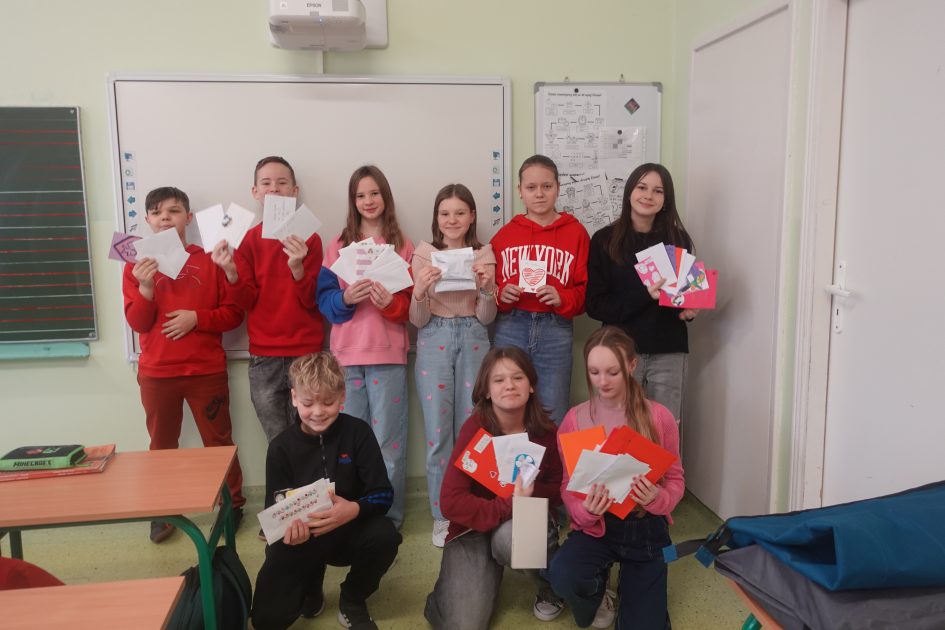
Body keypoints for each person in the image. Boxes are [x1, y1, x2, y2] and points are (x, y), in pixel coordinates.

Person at [122, 186, 246, 543]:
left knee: (219, 442)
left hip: (206, 372)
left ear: (188, 218)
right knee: (161, 445)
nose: (165, 217)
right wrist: (146, 288)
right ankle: (162, 511)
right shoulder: (135, 264)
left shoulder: (210, 259)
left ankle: (233, 504)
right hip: (157, 374)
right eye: (157, 212)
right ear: (147, 220)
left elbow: (233, 314)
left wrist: (197, 318)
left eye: (174, 211)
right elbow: (138, 322)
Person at [251, 352, 401, 630]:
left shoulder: (359, 433)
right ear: (294, 398)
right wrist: (289, 532)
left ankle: (352, 598)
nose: (318, 412)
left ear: (342, 397)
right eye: (308, 403)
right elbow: (274, 511)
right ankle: (311, 585)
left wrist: (352, 509)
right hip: (304, 539)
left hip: (350, 531)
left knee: (386, 535)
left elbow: (383, 494)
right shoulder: (281, 448)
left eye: (328, 402)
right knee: (266, 621)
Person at [548, 326, 684, 630]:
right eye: (594, 372)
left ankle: (631, 583)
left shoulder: (658, 416)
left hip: (645, 527)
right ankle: (599, 590)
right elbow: (568, 484)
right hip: (597, 526)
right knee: (563, 574)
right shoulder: (575, 419)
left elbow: (676, 478)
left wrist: (659, 498)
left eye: (613, 372)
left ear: (632, 365)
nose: (602, 382)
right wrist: (585, 511)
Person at [425, 347, 565, 629]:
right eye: (499, 380)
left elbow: (559, 489)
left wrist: (529, 495)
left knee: (507, 540)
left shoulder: (546, 433)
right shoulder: (475, 430)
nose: (509, 385)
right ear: (486, 391)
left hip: (522, 521)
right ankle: (468, 582)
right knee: (464, 625)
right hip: (471, 529)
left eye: (518, 377)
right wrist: (510, 501)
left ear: (531, 385)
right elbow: (450, 502)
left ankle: (548, 586)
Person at [317, 165, 414, 529]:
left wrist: (390, 303)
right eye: (361, 195)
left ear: (385, 197)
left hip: (388, 354)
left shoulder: (401, 245)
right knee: (347, 444)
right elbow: (325, 302)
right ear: (352, 201)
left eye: (374, 193)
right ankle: (350, 514)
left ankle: (389, 517)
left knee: (389, 441)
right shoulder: (338, 245)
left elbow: (409, 308)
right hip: (346, 356)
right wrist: (345, 297)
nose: (368, 201)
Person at [410, 183, 497, 547]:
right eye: (445, 213)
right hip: (434, 339)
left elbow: (488, 317)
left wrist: (486, 289)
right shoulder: (424, 254)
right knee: (438, 436)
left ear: (472, 216)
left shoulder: (484, 255)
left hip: (475, 336)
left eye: (460, 212)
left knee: (473, 433)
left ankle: (472, 510)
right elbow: (417, 320)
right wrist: (419, 291)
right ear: (436, 218)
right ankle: (442, 514)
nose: (452, 220)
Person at [216, 156, 325, 442]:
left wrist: (297, 268)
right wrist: (231, 273)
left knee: (314, 437)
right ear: (255, 192)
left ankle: (315, 476)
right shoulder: (247, 240)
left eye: (282, 183)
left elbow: (313, 301)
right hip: (264, 356)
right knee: (277, 440)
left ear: (294, 191)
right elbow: (247, 300)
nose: (274, 189)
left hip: (306, 352)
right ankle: (284, 476)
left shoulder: (310, 239)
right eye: (266, 183)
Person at [585, 163, 696, 422]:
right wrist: (645, 294)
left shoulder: (678, 239)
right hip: (619, 352)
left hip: (668, 349)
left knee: (665, 427)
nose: (648, 196)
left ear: (666, 199)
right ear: (629, 192)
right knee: (619, 428)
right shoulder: (604, 240)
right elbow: (595, 305)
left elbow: (680, 297)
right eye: (642, 187)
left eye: (658, 191)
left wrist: (688, 310)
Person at [490, 154, 590, 424]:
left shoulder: (576, 233)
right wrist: (501, 295)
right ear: (520, 191)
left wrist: (562, 297)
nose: (539, 194)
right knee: (506, 407)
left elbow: (586, 294)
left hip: (555, 328)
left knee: (553, 409)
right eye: (531, 187)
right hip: (511, 325)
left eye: (547, 186)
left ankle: (550, 455)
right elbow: (488, 291)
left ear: (558, 187)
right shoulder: (504, 236)